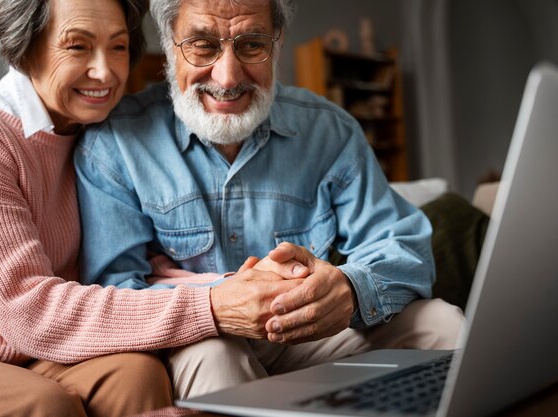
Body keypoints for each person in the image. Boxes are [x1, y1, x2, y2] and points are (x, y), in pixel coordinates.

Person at [74, 0, 466, 401]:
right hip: (201, 340)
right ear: (169, 45)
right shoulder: (115, 142)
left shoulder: (329, 130)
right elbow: (113, 290)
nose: (227, 77)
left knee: (442, 324)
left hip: (311, 335)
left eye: (251, 45)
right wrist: (218, 302)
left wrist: (349, 288)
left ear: (277, 44)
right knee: (215, 355)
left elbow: (405, 247)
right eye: (203, 46)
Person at [0, 0, 294, 415]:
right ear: (25, 47)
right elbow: (27, 311)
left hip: (43, 347)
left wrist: (247, 282)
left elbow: (141, 257)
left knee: (137, 373)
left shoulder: (101, 130)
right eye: (78, 47)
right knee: (44, 404)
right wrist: (211, 306)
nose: (105, 72)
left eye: (118, 47)